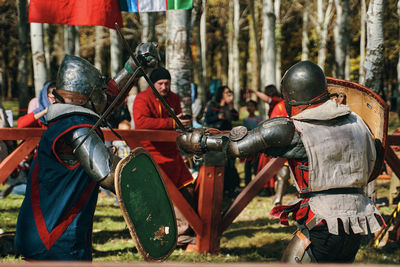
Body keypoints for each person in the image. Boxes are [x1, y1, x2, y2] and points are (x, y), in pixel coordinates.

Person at [177, 61, 384, 263]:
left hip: (322, 221)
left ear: (291, 95)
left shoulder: (296, 129)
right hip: (356, 221)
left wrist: (201, 140)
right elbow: (373, 162)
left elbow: (237, 146)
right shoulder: (358, 122)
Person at [14, 42, 160, 261]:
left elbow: (107, 97)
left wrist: (133, 65)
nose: (104, 96)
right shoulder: (78, 130)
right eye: (98, 93)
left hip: (39, 232)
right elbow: (112, 176)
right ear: (84, 98)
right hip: (56, 238)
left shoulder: (66, 122)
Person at [132, 67, 195, 246]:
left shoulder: (174, 98)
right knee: (159, 196)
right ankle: (164, 235)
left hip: (172, 154)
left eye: (167, 83)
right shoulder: (142, 98)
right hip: (151, 154)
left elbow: (177, 121)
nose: (164, 87)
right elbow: (141, 122)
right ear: (152, 84)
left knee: (187, 190)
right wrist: (171, 122)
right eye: (160, 83)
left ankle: (182, 232)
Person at [203, 86, 240, 194]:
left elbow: (236, 117)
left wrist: (231, 105)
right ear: (221, 93)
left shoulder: (229, 105)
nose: (228, 94)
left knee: (230, 162)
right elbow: (207, 119)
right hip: (216, 137)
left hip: (228, 136)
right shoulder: (213, 104)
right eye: (226, 92)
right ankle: (220, 187)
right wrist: (218, 117)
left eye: (229, 92)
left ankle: (231, 187)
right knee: (219, 162)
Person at [242, 100, 261, 186]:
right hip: (248, 144)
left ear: (255, 108)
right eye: (248, 106)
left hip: (256, 144)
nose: (249, 108)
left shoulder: (258, 119)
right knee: (248, 165)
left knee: (256, 165)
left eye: (252, 106)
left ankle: (257, 184)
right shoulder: (245, 120)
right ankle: (247, 184)